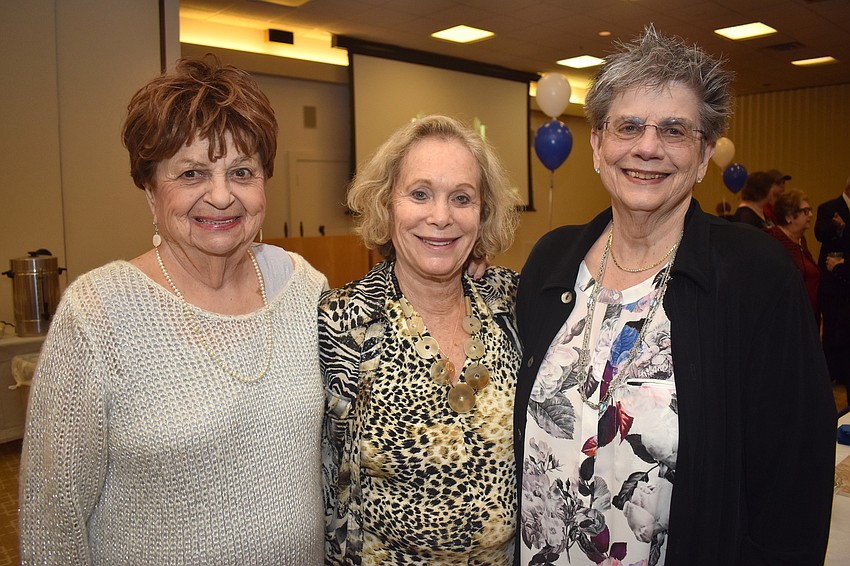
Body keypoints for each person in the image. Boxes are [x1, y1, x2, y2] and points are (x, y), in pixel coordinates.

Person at [514, 25, 835, 566]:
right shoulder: (553, 259)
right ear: (596, 143)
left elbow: (794, 475)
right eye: (629, 126)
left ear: (704, 154)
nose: (647, 147)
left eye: (675, 131)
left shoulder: (754, 275)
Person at [18, 56, 327, 564]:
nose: (222, 196)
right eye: (192, 173)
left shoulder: (305, 289)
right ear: (150, 190)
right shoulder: (98, 314)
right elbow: (53, 520)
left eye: (242, 171)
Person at [320, 114, 522, 564]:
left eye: (462, 198)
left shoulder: (512, 303)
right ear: (386, 203)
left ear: (482, 212)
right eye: (420, 194)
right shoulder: (342, 323)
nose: (441, 216)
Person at [815, 175, 850, 405]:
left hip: (845, 272)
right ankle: (831, 370)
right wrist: (835, 228)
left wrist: (844, 227)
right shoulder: (828, 207)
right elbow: (820, 233)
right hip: (830, 277)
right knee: (830, 325)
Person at [764, 189, 819, 323]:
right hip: (787, 318)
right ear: (789, 216)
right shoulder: (773, 238)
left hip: (809, 316)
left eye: (810, 210)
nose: (811, 215)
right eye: (805, 211)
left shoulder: (801, 240)